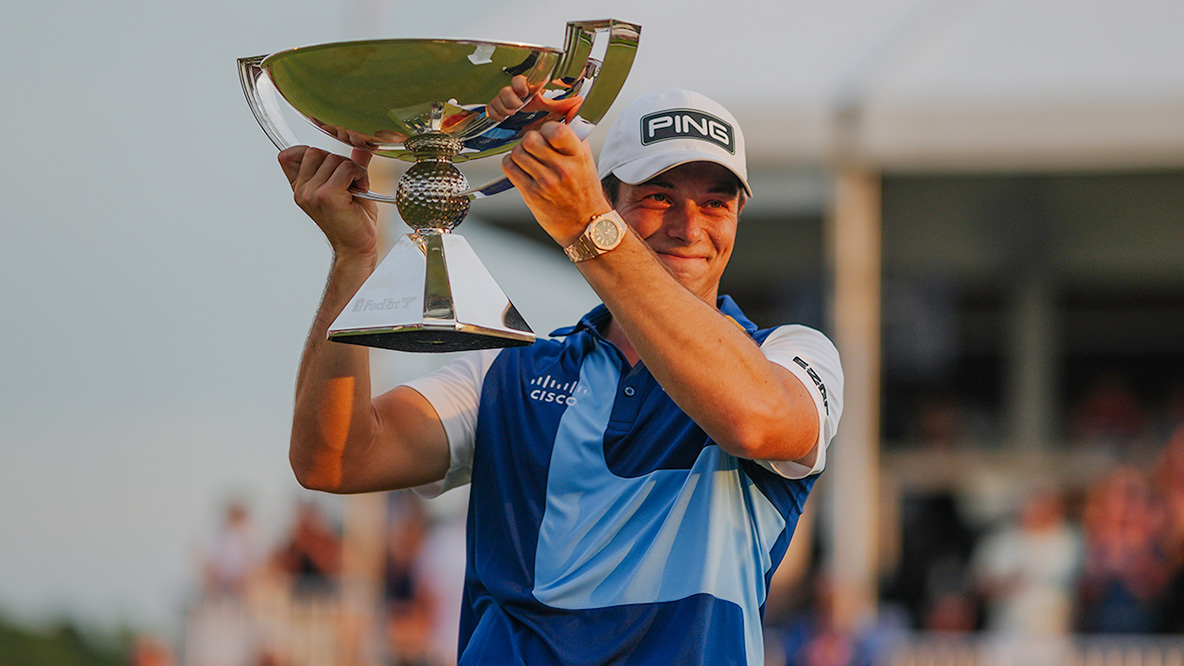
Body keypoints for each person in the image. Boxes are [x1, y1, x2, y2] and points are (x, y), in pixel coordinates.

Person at [276, 87, 844, 665]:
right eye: (658, 196)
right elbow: (335, 458)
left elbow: (754, 421)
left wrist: (589, 228)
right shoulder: (508, 370)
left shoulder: (790, 355)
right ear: (611, 199)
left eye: (716, 204)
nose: (688, 227)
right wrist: (353, 259)